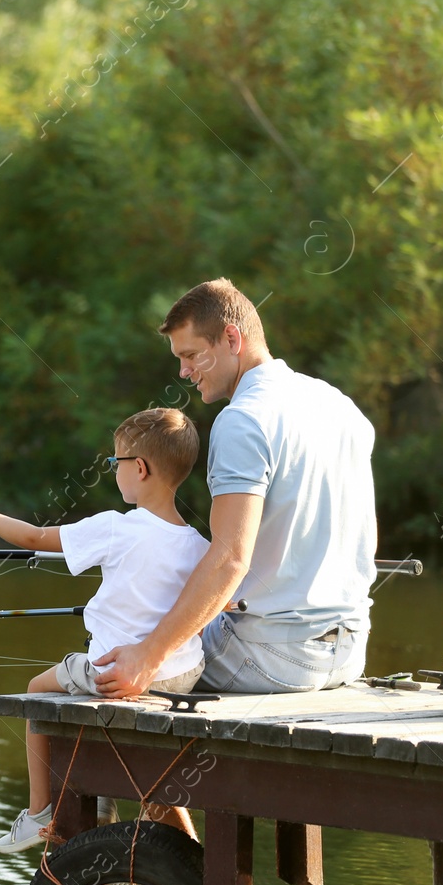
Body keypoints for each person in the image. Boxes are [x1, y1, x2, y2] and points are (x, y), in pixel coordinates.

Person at [0, 407, 209, 853]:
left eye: (115, 462)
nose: (113, 471)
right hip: (182, 674)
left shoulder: (116, 528)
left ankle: (38, 812)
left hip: (120, 674)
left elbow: (32, 538)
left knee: (38, 693)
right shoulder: (200, 544)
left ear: (138, 469)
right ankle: (100, 803)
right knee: (84, 698)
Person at [95, 278, 376, 698]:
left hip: (270, 660)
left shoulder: (243, 419)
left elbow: (229, 560)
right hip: (350, 653)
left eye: (190, 355)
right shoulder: (339, 405)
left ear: (231, 338)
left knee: (98, 669)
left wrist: (148, 656)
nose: (183, 372)